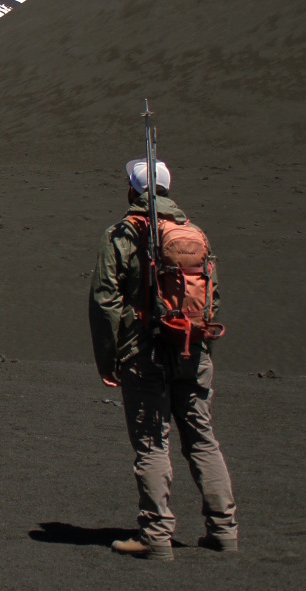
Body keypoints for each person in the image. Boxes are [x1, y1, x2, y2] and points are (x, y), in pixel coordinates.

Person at [88, 158, 238, 560]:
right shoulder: (193, 234)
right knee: (203, 441)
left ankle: (156, 536)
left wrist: (110, 359)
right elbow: (212, 297)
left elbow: (106, 302)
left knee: (153, 445)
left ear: (132, 192)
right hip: (193, 352)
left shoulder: (120, 234)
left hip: (144, 355)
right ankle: (223, 530)